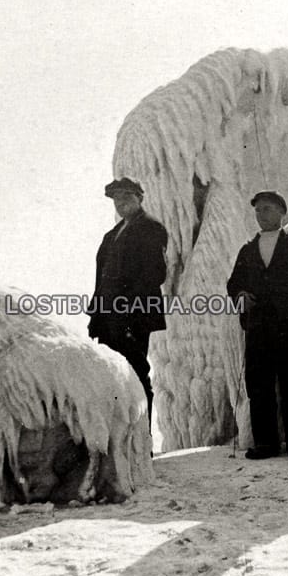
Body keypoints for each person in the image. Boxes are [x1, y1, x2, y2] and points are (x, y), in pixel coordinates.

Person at [226, 191, 288, 460]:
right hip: (258, 325)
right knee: (258, 384)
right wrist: (240, 296)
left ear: (282, 213)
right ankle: (266, 444)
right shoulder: (247, 250)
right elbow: (233, 283)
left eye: (267, 209)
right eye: (258, 210)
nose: (262, 215)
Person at [88, 177, 168, 425]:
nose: (121, 203)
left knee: (136, 374)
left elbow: (155, 274)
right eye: (117, 199)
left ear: (139, 198)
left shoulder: (151, 228)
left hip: (133, 316)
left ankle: (142, 439)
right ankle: (121, 440)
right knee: (112, 377)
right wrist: (97, 314)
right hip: (109, 317)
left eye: (127, 197)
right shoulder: (111, 236)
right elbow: (101, 280)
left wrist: (127, 306)